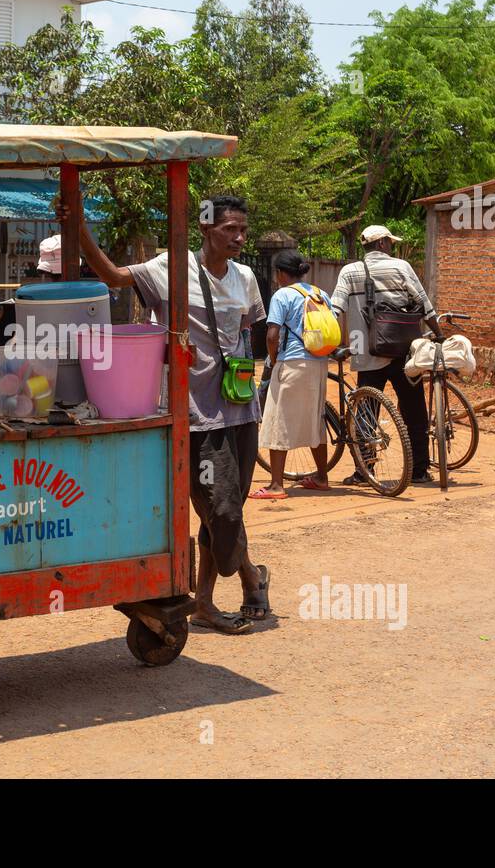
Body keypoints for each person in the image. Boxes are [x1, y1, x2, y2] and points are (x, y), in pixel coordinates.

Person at [78, 194, 269, 633]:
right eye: (229, 229)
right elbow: (111, 276)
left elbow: (243, 338)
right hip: (194, 413)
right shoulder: (170, 267)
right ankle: (251, 576)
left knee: (227, 508)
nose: (239, 237)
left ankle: (206, 602)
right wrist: (80, 229)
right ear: (205, 228)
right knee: (220, 510)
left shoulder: (245, 278)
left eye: (243, 229)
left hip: (241, 410)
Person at [330, 225, 442, 484]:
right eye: (389, 242)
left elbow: (335, 309)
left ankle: (364, 471)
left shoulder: (349, 271)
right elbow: (424, 304)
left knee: (366, 411)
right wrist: (438, 333)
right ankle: (419, 471)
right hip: (405, 353)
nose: (391, 246)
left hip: (368, 353)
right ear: (381, 244)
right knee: (414, 411)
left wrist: (330, 343)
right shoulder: (401, 267)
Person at [253, 251, 331, 499]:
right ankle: (321, 477)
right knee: (315, 418)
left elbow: (272, 335)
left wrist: (275, 362)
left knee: (278, 420)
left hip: (293, 362)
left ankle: (276, 485)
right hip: (319, 362)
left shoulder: (282, 295)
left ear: (280, 273)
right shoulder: (320, 293)